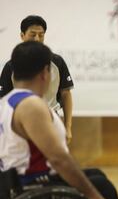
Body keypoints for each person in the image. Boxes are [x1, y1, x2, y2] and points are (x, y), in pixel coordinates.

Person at [0, 41, 118, 199]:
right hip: (33, 185)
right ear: (45, 72)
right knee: (102, 187)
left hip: (13, 181)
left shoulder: (6, 102)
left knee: (96, 174)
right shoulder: (31, 105)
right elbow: (58, 159)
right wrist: (95, 197)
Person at [0, 15, 74, 143]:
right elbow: (3, 100)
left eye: (41, 35)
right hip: (21, 123)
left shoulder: (57, 62)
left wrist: (68, 127)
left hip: (51, 118)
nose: (37, 39)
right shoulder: (11, 66)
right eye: (32, 34)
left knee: (54, 158)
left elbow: (66, 94)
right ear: (22, 35)